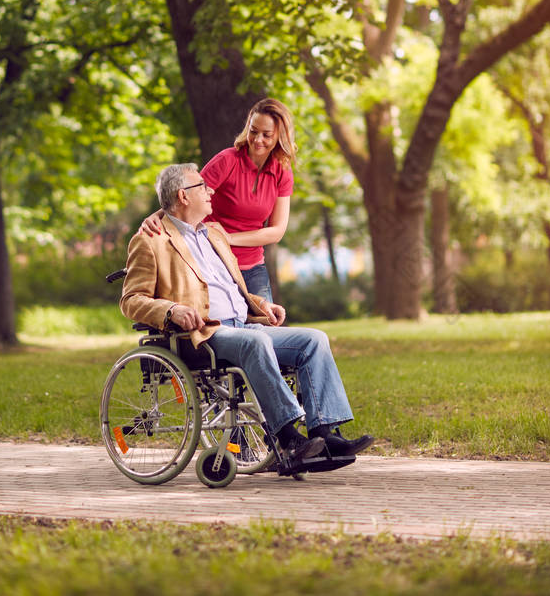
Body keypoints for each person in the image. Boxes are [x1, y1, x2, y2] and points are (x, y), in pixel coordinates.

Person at [121, 162, 374, 469]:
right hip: (203, 334)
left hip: (244, 325)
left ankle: (324, 433)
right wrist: (172, 310)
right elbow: (131, 300)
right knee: (256, 345)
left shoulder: (214, 233)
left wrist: (259, 305)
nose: (209, 190)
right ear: (183, 196)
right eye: (201, 186)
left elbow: (231, 287)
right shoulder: (151, 241)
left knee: (314, 340)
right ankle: (288, 438)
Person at [140, 97, 296, 302]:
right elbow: (188, 194)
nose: (258, 139)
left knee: (267, 327)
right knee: (227, 329)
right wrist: (156, 216)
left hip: (253, 268)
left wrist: (230, 238)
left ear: (280, 137)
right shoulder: (228, 160)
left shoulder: (282, 172)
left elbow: (276, 231)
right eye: (253, 131)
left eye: (266, 135)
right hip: (215, 263)